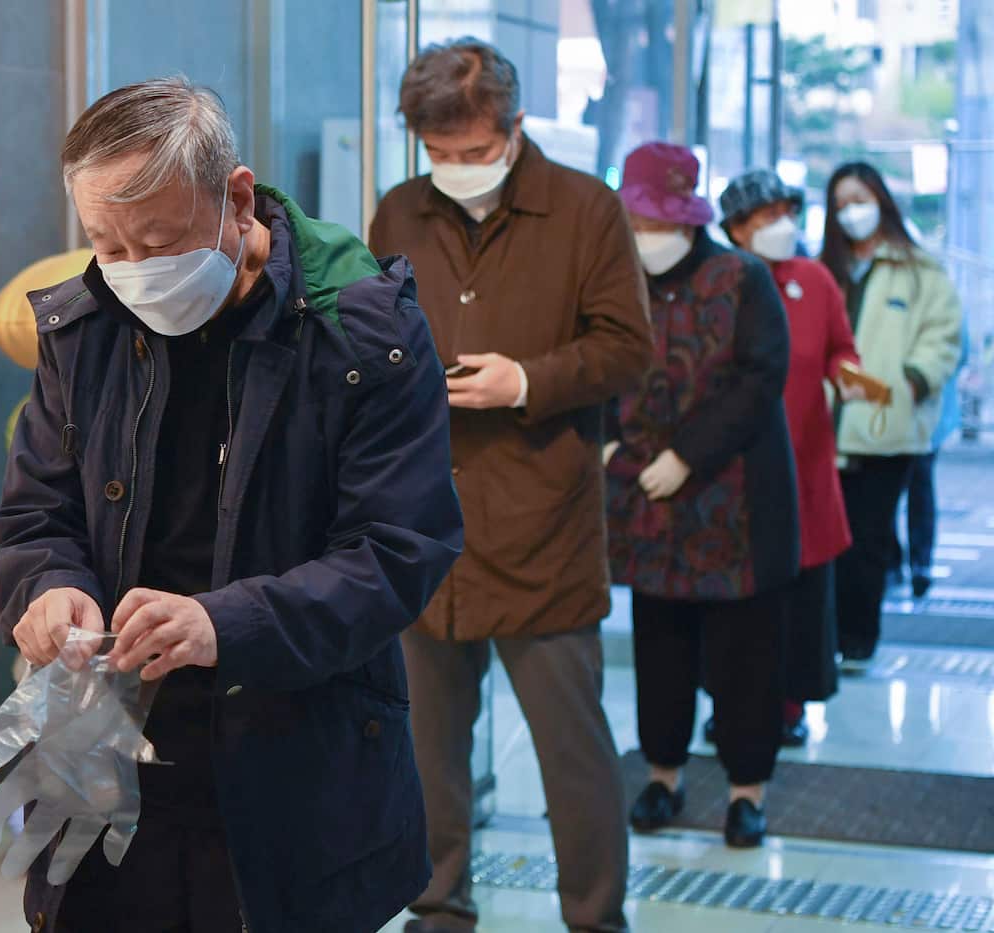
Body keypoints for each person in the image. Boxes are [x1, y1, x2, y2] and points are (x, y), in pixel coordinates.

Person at [0, 77, 464, 933]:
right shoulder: (83, 326)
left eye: (161, 240)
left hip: (294, 762)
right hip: (110, 759)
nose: (134, 270)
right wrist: (47, 587)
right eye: (108, 243)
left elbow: (398, 550)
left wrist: (224, 624)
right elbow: (35, 513)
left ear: (237, 199)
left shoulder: (362, 331)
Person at [368, 38, 652, 933]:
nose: (454, 170)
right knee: (425, 749)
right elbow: (375, 326)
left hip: (542, 521)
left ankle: (596, 916)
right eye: (438, 155)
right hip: (422, 522)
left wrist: (524, 379)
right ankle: (437, 906)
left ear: (515, 128)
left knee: (572, 749)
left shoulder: (584, 209)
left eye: (473, 152)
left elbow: (628, 347)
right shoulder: (398, 211)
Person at [605, 142, 799, 849]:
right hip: (648, 510)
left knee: (748, 657)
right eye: (641, 223)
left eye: (662, 222)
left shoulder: (742, 277)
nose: (650, 238)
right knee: (660, 650)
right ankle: (663, 774)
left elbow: (759, 378)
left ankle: (747, 790)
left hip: (737, 502)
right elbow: (596, 363)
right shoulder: (615, 278)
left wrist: (687, 454)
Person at [718, 168, 863, 745]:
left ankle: (791, 704)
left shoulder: (815, 280)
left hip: (805, 462)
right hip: (734, 468)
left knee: (801, 595)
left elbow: (840, 349)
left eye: (786, 214)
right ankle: (728, 702)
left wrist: (847, 377)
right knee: (737, 596)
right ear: (735, 228)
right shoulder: (723, 282)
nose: (781, 227)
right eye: (765, 218)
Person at [820, 161, 962, 667]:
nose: (851, 212)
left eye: (859, 199)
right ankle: (827, 639)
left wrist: (914, 379)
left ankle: (858, 640)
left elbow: (945, 335)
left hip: (887, 424)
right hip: (824, 428)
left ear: (881, 199)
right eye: (840, 205)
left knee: (869, 539)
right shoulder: (824, 271)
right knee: (825, 542)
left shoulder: (918, 269)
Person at [893, 323, 970, 597]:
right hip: (904, 414)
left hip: (926, 414)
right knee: (912, 488)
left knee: (908, 487)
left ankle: (912, 563)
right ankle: (914, 562)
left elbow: (958, 351)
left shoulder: (941, 294)